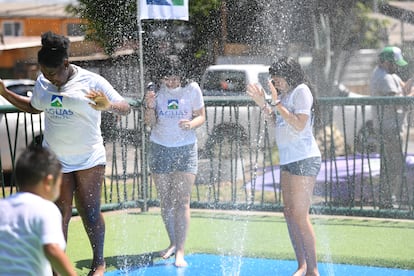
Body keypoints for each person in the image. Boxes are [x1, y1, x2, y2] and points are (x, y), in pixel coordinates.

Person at [0, 31, 131, 276]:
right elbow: (34, 107)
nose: (49, 78)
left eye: (53, 73)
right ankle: (56, 269)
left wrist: (108, 105)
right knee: (59, 214)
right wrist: (6, 94)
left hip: (88, 158)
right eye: (44, 73)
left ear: (66, 64)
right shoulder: (43, 82)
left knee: (90, 211)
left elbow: (125, 108)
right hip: (56, 158)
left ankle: (98, 263)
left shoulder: (92, 81)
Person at [247, 56, 321, 276]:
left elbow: (299, 124)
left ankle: (313, 270)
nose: (274, 82)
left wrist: (276, 102)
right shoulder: (286, 96)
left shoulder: (301, 91)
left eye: (276, 77)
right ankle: (302, 265)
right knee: (288, 212)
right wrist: (264, 104)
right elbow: (276, 123)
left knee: (300, 214)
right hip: (288, 160)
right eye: (273, 78)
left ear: (289, 75)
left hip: (304, 159)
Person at [144, 64, 206, 267]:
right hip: (160, 147)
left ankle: (180, 250)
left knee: (183, 200)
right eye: (167, 79)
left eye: (175, 79)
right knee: (166, 199)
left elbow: (201, 116)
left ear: (183, 76)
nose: (171, 83)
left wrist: (191, 124)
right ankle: (172, 242)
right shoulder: (154, 89)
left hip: (185, 148)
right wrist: (150, 106)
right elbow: (149, 123)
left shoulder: (192, 88)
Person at [0, 145, 77, 276]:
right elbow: (52, 248)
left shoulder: (3, 206)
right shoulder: (46, 208)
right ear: (48, 181)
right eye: (59, 183)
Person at [369, 46, 414, 207]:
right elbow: (396, 103)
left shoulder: (388, 74)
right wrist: (411, 96)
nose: (397, 67)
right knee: (392, 165)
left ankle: (388, 199)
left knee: (392, 164)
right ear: (387, 62)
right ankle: (388, 200)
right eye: (394, 63)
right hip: (389, 129)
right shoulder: (384, 78)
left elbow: (402, 88)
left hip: (390, 128)